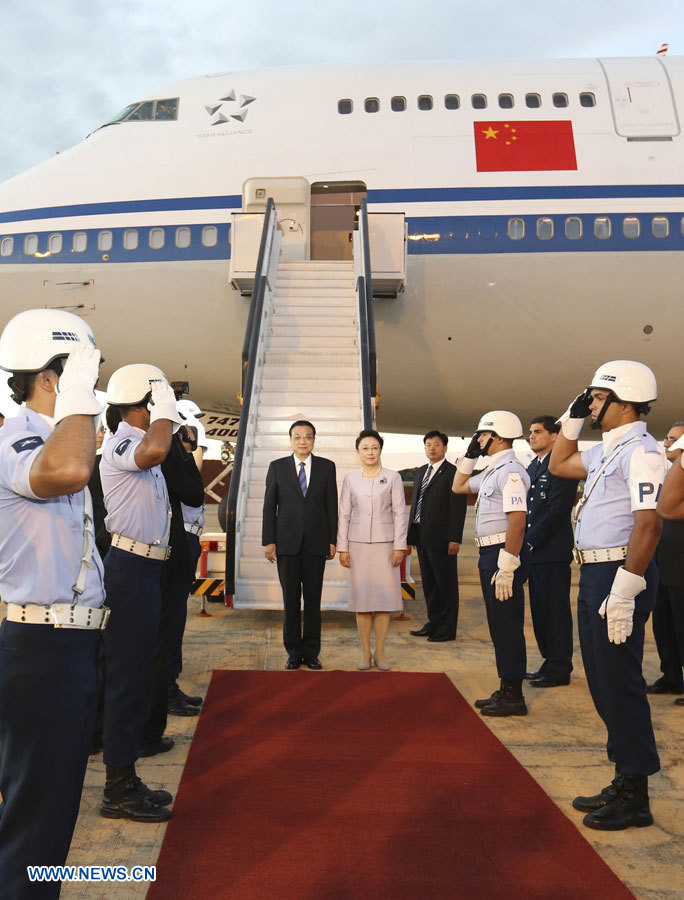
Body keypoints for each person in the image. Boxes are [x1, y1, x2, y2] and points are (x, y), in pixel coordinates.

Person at [0, 309, 107, 899]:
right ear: (51, 376)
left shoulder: (60, 434)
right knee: (36, 815)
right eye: (83, 371)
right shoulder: (19, 437)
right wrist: (77, 398)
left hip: (71, 643)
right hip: (40, 648)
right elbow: (64, 470)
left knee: (54, 802)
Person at [550, 360, 664, 830]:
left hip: (621, 573)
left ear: (625, 402)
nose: (593, 404)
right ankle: (624, 775)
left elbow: (650, 524)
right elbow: (559, 464)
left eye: (598, 398)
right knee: (600, 679)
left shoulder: (643, 452)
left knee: (619, 681)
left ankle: (636, 794)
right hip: (597, 572)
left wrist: (625, 588)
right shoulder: (605, 450)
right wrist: (572, 420)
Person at [99, 363, 182, 823]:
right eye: (156, 404)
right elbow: (152, 452)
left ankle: (125, 776)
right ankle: (116, 789)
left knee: (137, 674)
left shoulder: (136, 443)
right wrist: (164, 406)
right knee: (127, 678)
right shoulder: (125, 442)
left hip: (146, 569)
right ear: (143, 405)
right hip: (129, 570)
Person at [452, 411, 530, 716]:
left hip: (502, 552)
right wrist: (470, 456)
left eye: (481, 435)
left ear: (497, 437)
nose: (477, 440)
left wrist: (508, 566)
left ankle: (514, 695)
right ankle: (506, 686)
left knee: (507, 624)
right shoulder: (492, 469)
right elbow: (458, 487)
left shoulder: (510, 471)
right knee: (499, 624)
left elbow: (518, 522)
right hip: (490, 553)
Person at [262, 420, 338, 670]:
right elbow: (269, 507)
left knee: (313, 602)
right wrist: (269, 540)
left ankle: (312, 653)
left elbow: (331, 506)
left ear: (314, 440)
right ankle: (293, 652)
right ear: (290, 440)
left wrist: (332, 539)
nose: (302, 440)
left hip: (317, 545)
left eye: (307, 436)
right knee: (291, 601)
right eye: (297, 436)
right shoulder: (277, 467)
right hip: (286, 544)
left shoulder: (327, 467)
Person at [337, 429, 407, 670]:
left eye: (374, 447)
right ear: (358, 451)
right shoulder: (350, 479)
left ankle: (381, 651)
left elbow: (400, 513)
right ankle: (365, 652)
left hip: (386, 545)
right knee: (363, 601)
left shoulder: (393, 477)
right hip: (357, 546)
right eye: (365, 448)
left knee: (384, 601)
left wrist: (400, 546)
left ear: (380, 450)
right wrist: (343, 548)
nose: (370, 452)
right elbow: (344, 514)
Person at [524, 415, 578, 687]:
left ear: (555, 436)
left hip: (551, 552)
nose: (531, 436)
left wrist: (529, 542)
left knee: (555, 613)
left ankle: (559, 668)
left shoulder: (562, 466)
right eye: (530, 432)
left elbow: (557, 512)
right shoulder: (534, 466)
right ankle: (548, 662)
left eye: (537, 432)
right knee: (540, 611)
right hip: (535, 553)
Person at [167, 400, 208, 714]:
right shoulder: (170, 459)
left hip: (187, 540)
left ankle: (170, 685)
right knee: (169, 620)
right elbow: (193, 487)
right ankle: (166, 689)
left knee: (176, 618)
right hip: (179, 542)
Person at [407, 430, 466, 642]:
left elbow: (458, 508)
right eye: (428, 444)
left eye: (436, 444)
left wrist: (455, 538)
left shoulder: (453, 472)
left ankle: (448, 629)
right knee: (430, 585)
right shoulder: (421, 471)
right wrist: (410, 536)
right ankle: (434, 623)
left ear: (445, 448)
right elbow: (416, 504)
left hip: (442, 539)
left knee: (446, 585)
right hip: (421, 536)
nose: (432, 447)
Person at [646, 422, 684, 700]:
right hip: (661, 560)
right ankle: (671, 675)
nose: (667, 444)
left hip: (682, 562)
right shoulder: (666, 473)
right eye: (667, 438)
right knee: (663, 623)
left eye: (673, 440)